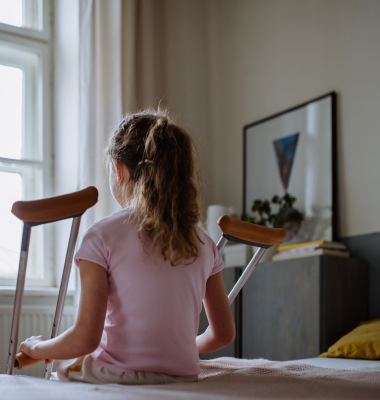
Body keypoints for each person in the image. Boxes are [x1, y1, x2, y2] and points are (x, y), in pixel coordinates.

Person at [19, 110, 235, 384]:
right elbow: (223, 335)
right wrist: (179, 348)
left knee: (69, 366)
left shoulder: (101, 236)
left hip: (116, 376)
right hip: (183, 377)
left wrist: (36, 347)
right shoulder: (204, 243)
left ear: (119, 169)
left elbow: (85, 339)